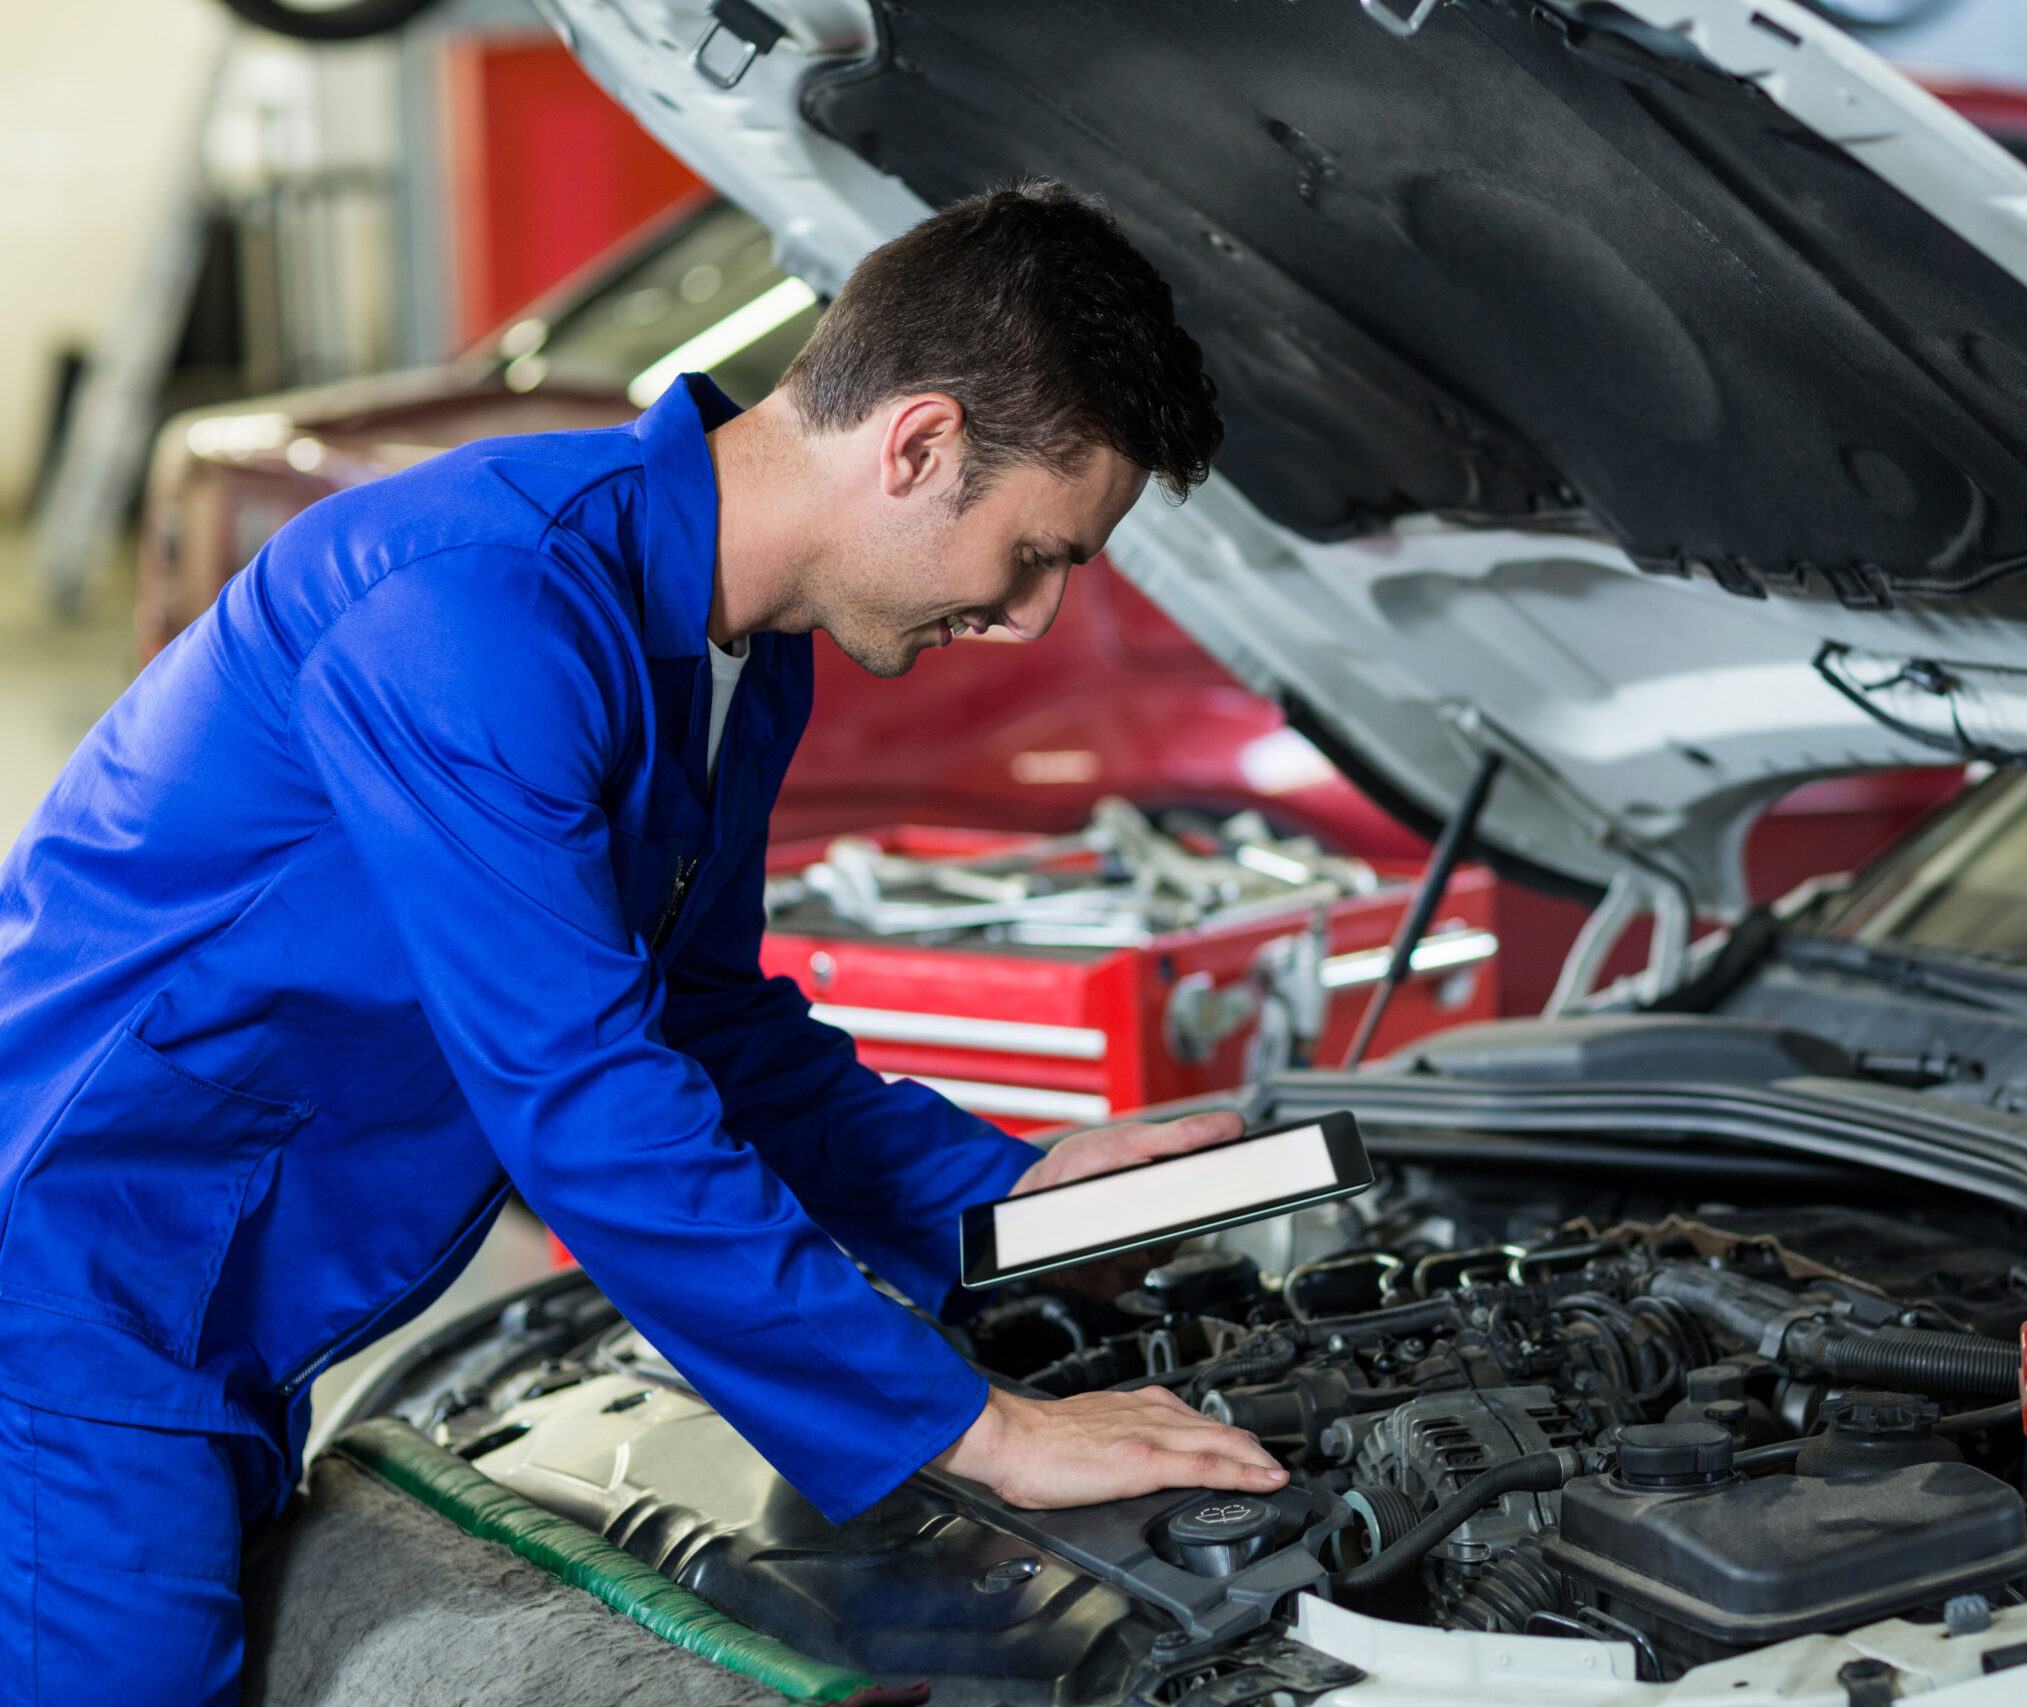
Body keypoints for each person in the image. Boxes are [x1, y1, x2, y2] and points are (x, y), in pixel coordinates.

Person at [0, 180, 1285, 1705]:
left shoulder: (731, 657)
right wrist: (972, 1428)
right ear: (921, 442)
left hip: (211, 1299)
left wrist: (1003, 1193)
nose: (1028, 619)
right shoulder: (476, 612)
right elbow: (587, 1100)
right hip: (69, 1289)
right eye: (1037, 552)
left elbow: (707, 1027)